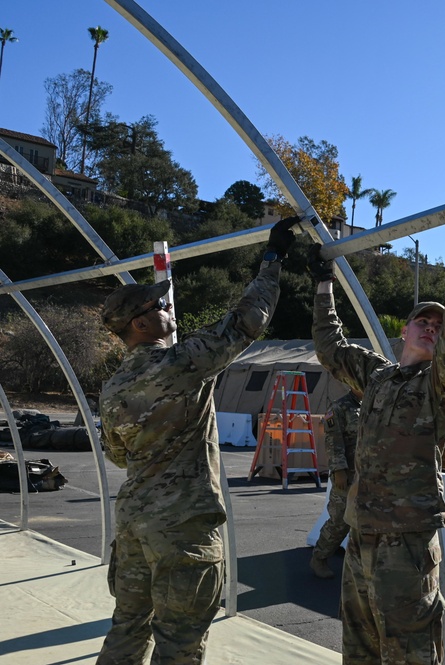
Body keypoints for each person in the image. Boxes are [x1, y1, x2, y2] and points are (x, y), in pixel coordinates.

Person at [95, 217, 299, 664]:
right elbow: (246, 322)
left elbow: (115, 453)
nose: (170, 312)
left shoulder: (112, 388)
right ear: (141, 323)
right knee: (180, 640)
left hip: (133, 522)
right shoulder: (179, 364)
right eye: (160, 307)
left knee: (127, 626)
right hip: (182, 528)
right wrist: (272, 260)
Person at [310, 199, 445, 664]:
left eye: (438, 324)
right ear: (405, 329)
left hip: (407, 546)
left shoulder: (440, 384)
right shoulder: (376, 376)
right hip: (360, 538)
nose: (432, 329)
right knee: (359, 649)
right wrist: (321, 283)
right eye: (424, 321)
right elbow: (330, 347)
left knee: (412, 653)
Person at [309, 388, 362, 579]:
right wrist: (339, 470)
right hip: (347, 475)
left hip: (368, 474)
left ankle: (359, 566)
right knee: (339, 521)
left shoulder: (374, 404)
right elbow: (333, 440)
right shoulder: (340, 407)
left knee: (364, 521)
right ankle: (319, 557)